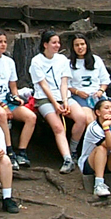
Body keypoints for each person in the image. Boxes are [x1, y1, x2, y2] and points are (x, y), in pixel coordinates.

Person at [29, 30, 87, 173]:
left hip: (63, 96)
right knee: (58, 127)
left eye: (58, 43)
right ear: (45, 44)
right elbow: (43, 85)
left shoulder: (62, 60)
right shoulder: (36, 61)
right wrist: (55, 104)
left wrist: (65, 102)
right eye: (54, 43)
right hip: (44, 98)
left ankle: (73, 150)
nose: (57, 45)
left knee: (81, 117)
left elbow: (64, 82)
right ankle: (67, 159)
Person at [0, 30, 37, 169]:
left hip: (6, 99)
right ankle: (9, 151)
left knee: (31, 117)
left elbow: (13, 85)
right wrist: (2, 104)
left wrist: (16, 97)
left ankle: (22, 151)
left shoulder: (9, 62)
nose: (3, 45)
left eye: (5, 42)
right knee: (2, 114)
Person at [68, 33, 110, 124]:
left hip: (97, 95)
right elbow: (66, 84)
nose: (80, 47)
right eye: (77, 45)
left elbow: (105, 79)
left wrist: (101, 91)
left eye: (82, 44)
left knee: (105, 118)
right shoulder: (69, 63)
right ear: (73, 47)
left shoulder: (96, 60)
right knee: (89, 119)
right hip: (79, 97)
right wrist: (77, 92)